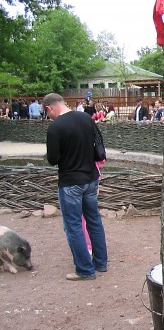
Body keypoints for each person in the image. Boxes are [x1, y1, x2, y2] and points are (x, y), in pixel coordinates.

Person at [43, 93, 108, 281]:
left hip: (71, 181)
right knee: (94, 220)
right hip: (91, 178)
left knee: (73, 226)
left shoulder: (55, 127)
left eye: (47, 113)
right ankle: (101, 262)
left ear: (49, 108)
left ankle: (85, 270)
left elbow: (53, 159)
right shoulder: (86, 118)